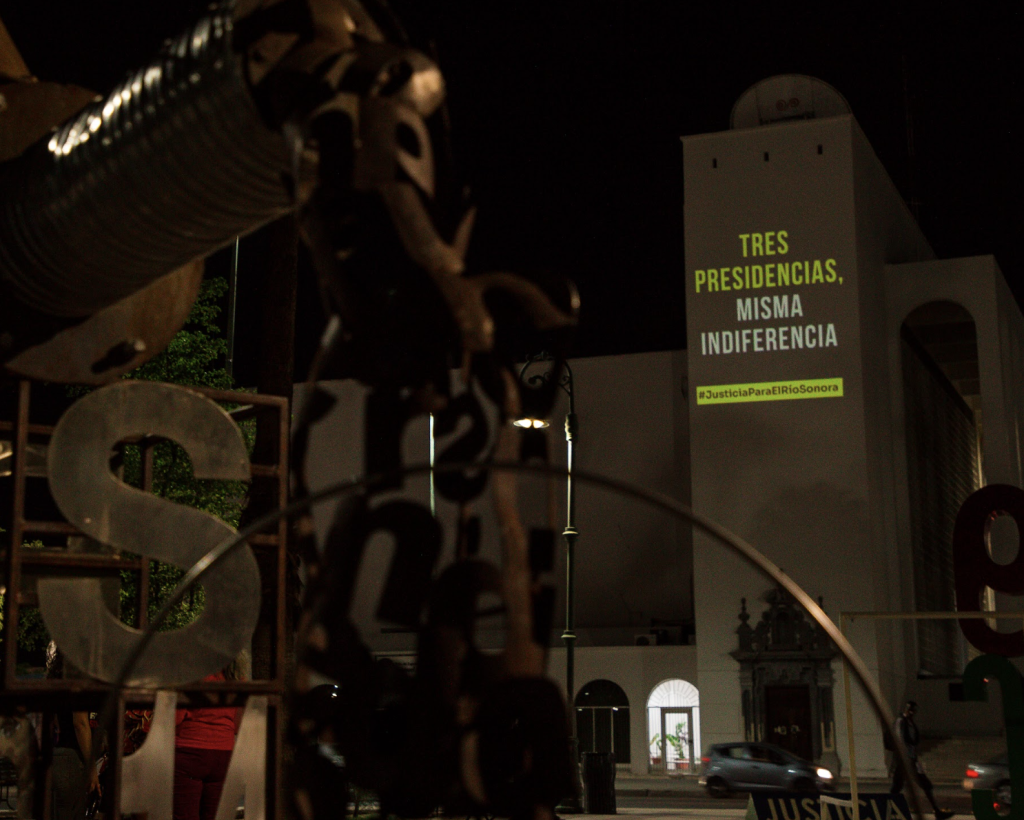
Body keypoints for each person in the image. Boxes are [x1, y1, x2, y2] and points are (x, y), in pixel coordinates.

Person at [172, 655, 246, 820]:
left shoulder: (193, 675)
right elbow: (238, 724)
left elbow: (176, 717)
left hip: (190, 754)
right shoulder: (238, 678)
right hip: (223, 755)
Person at [46, 644, 101, 820]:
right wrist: (92, 769)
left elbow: (55, 721)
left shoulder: (58, 679)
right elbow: (80, 723)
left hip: (60, 755)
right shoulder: (78, 681)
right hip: (73, 760)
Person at [889, 701, 954, 820]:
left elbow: (914, 739)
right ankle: (889, 811)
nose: (913, 713)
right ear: (907, 709)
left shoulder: (909, 722)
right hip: (904, 760)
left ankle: (937, 811)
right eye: (911, 710)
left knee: (925, 785)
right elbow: (901, 739)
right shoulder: (900, 722)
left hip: (911, 759)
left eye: (914, 711)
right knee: (897, 787)